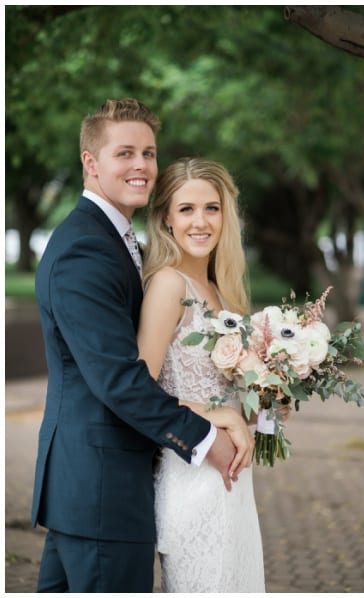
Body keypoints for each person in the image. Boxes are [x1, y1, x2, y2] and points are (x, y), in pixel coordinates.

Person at [32, 98, 250, 592]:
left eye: (148, 154)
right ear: (91, 162)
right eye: (125, 153)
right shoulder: (85, 250)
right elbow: (119, 379)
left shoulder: (120, 242)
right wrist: (205, 437)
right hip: (101, 487)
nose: (141, 166)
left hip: (95, 488)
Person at [137, 157, 266, 591]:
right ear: (166, 220)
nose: (201, 221)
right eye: (186, 209)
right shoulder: (168, 285)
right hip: (190, 477)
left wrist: (273, 397)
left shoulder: (222, 291)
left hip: (233, 483)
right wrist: (218, 416)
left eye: (211, 208)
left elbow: (238, 403)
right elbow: (141, 392)